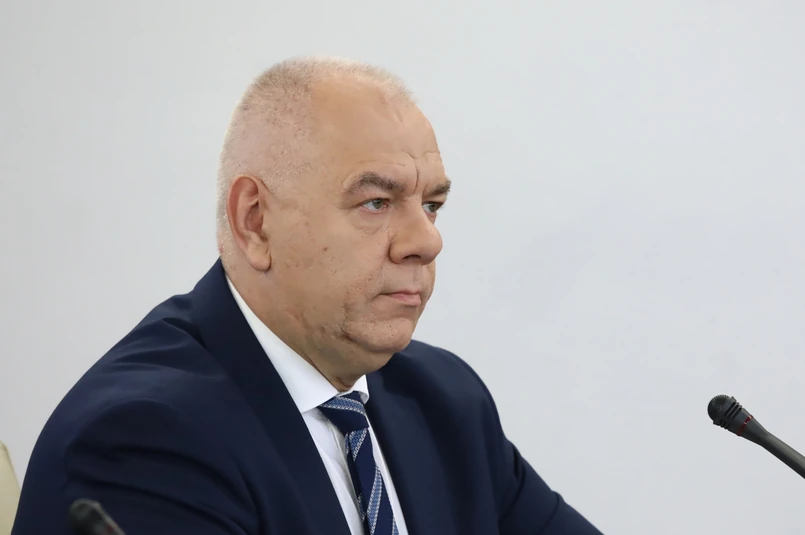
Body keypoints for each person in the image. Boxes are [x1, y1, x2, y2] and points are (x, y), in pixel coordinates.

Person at [12, 57, 602, 534]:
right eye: (376, 202)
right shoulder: (145, 437)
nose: (427, 241)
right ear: (255, 222)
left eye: (431, 205)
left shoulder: (445, 400)